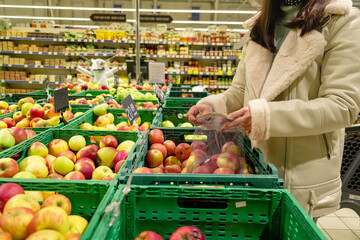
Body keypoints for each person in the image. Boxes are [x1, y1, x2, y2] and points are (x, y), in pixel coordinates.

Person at [187, 0, 360, 218]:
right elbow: (239, 92)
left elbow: (342, 105)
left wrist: (266, 117)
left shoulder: (340, 21)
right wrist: (211, 106)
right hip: (253, 167)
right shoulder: (262, 25)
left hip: (301, 177)